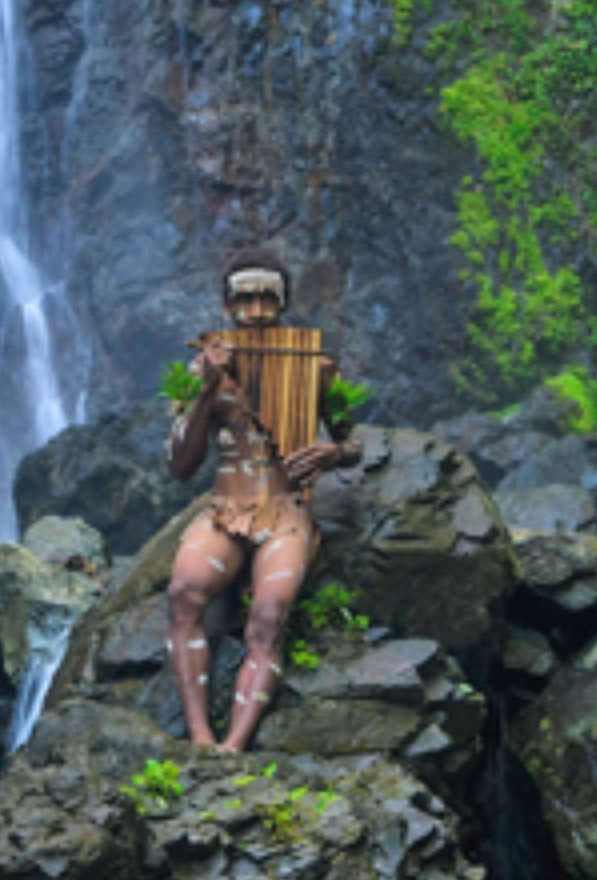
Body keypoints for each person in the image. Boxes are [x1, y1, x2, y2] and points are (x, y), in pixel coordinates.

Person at [161, 247, 362, 752]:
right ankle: (202, 737)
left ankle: (236, 744)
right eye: (244, 300)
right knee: (184, 592)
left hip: (286, 510)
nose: (254, 312)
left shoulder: (314, 367)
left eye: (265, 299)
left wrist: (331, 454)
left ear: (282, 302)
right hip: (226, 509)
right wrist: (207, 389)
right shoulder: (200, 367)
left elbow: (353, 443)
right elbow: (180, 466)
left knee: (270, 614)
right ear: (228, 305)